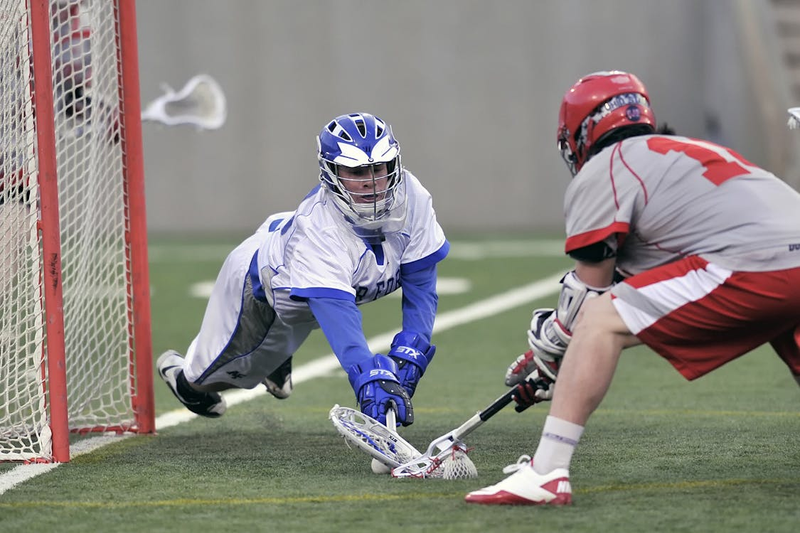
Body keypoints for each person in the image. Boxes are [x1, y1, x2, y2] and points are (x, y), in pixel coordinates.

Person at [465, 71, 800, 505]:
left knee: (601, 321)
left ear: (582, 132)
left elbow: (590, 300)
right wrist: (557, 362)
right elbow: (653, 279)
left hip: (754, 262)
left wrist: (552, 354)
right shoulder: (690, 152)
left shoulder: (608, 166)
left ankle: (546, 473)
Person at [157, 112, 449, 428]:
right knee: (208, 381)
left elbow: (421, 283)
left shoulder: (413, 195)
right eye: (356, 171)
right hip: (262, 288)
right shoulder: (319, 231)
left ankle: (277, 355)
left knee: (295, 324)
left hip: (308, 287)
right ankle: (181, 375)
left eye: (379, 168)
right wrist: (367, 377)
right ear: (331, 173)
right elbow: (340, 318)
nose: (372, 181)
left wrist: (412, 350)